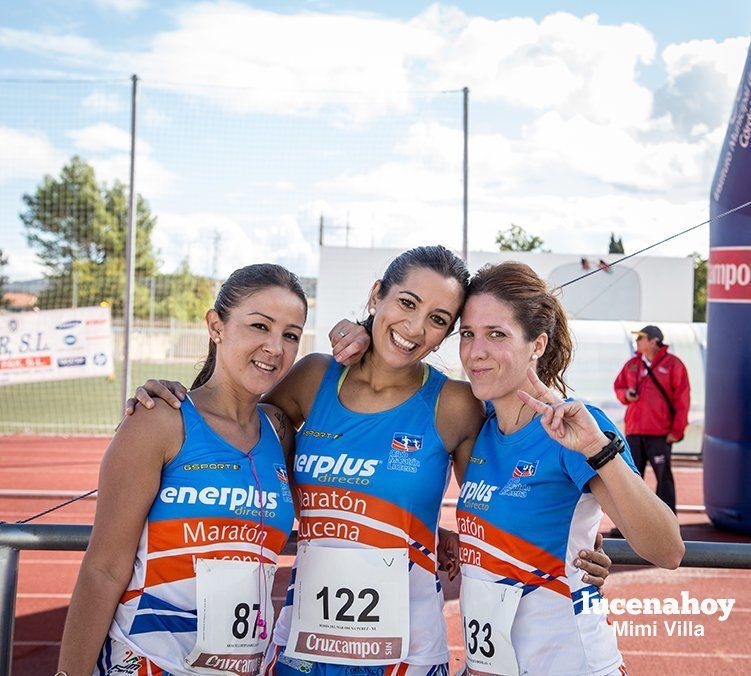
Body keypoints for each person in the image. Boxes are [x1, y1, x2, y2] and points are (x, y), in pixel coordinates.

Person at [126, 246, 612, 676]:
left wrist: (576, 546)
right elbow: (233, 416)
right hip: (302, 650)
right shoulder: (317, 376)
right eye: (406, 303)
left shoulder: (456, 404)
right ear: (377, 294)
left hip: (407, 655)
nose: (416, 327)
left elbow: (502, 499)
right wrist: (172, 398)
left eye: (439, 320)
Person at [56, 264, 307, 676]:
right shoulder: (160, 420)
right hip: (149, 664)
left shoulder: (278, 431)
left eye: (290, 335)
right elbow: (103, 569)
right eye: (259, 326)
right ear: (216, 326)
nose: (275, 347)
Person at [456, 263, 684, 676]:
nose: (476, 351)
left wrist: (598, 449)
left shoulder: (574, 426)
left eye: (497, 334)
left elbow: (667, 550)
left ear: (537, 344)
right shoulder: (475, 424)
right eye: (468, 334)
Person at [613, 324, 690, 513]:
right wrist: (626, 395)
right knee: (631, 479)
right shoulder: (632, 364)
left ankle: (667, 521)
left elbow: (682, 399)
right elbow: (619, 386)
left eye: (641, 338)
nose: (636, 342)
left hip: (660, 433)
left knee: (664, 479)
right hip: (634, 432)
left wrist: (677, 430)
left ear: (654, 341)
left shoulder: (673, 364)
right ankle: (630, 522)